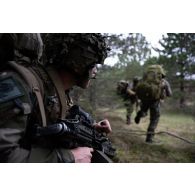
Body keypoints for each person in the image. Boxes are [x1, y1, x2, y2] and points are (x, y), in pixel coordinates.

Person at [0, 33, 111, 163]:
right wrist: (68, 157)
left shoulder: (55, 90)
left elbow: (53, 124)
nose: (95, 71)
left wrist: (90, 129)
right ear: (80, 63)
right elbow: (5, 155)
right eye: (93, 65)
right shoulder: (21, 83)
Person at [134, 65, 172, 143]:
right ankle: (149, 138)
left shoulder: (144, 80)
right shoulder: (163, 81)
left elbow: (137, 88)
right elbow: (169, 94)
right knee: (154, 118)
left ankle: (139, 114)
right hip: (155, 101)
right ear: (161, 73)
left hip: (144, 100)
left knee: (143, 110)